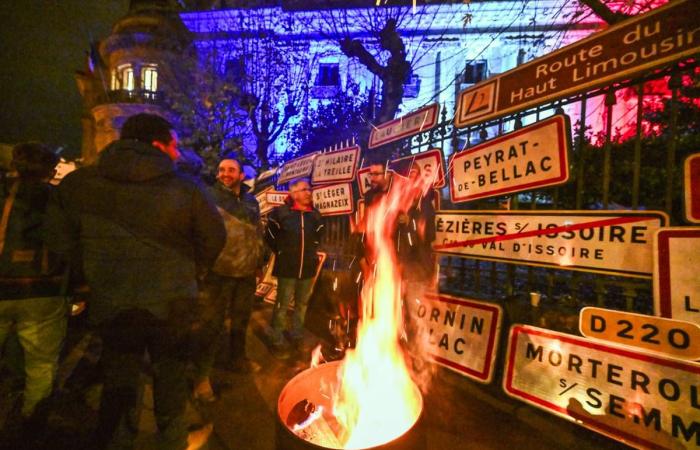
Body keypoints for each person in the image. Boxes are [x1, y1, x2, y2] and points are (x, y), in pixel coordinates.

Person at [45, 113, 226, 450]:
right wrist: (192, 273)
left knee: (120, 378)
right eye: (173, 145)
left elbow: (59, 241)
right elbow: (213, 238)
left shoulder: (78, 185)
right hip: (173, 304)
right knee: (170, 376)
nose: (176, 153)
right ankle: (172, 440)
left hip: (112, 303)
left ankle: (119, 440)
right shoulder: (186, 189)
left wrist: (89, 277)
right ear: (157, 144)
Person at [0, 143, 65, 428]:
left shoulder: (4, 194)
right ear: (50, 171)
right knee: (41, 364)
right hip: (43, 289)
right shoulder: (58, 200)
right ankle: (31, 423)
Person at [192, 155, 264, 403]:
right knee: (211, 326)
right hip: (218, 274)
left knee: (240, 322)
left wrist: (258, 262)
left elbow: (258, 233)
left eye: (231, 170)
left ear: (241, 175)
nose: (225, 174)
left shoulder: (252, 201)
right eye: (222, 170)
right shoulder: (208, 198)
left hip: (245, 273)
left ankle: (237, 360)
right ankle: (202, 378)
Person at [265, 178, 324, 359]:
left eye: (309, 189)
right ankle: (276, 338)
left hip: (307, 268)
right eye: (305, 189)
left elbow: (318, 237)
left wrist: (310, 256)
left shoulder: (315, 215)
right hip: (287, 267)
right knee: (282, 304)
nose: (309, 193)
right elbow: (269, 237)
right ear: (294, 193)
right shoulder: (280, 214)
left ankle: (296, 335)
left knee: (302, 304)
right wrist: (282, 252)